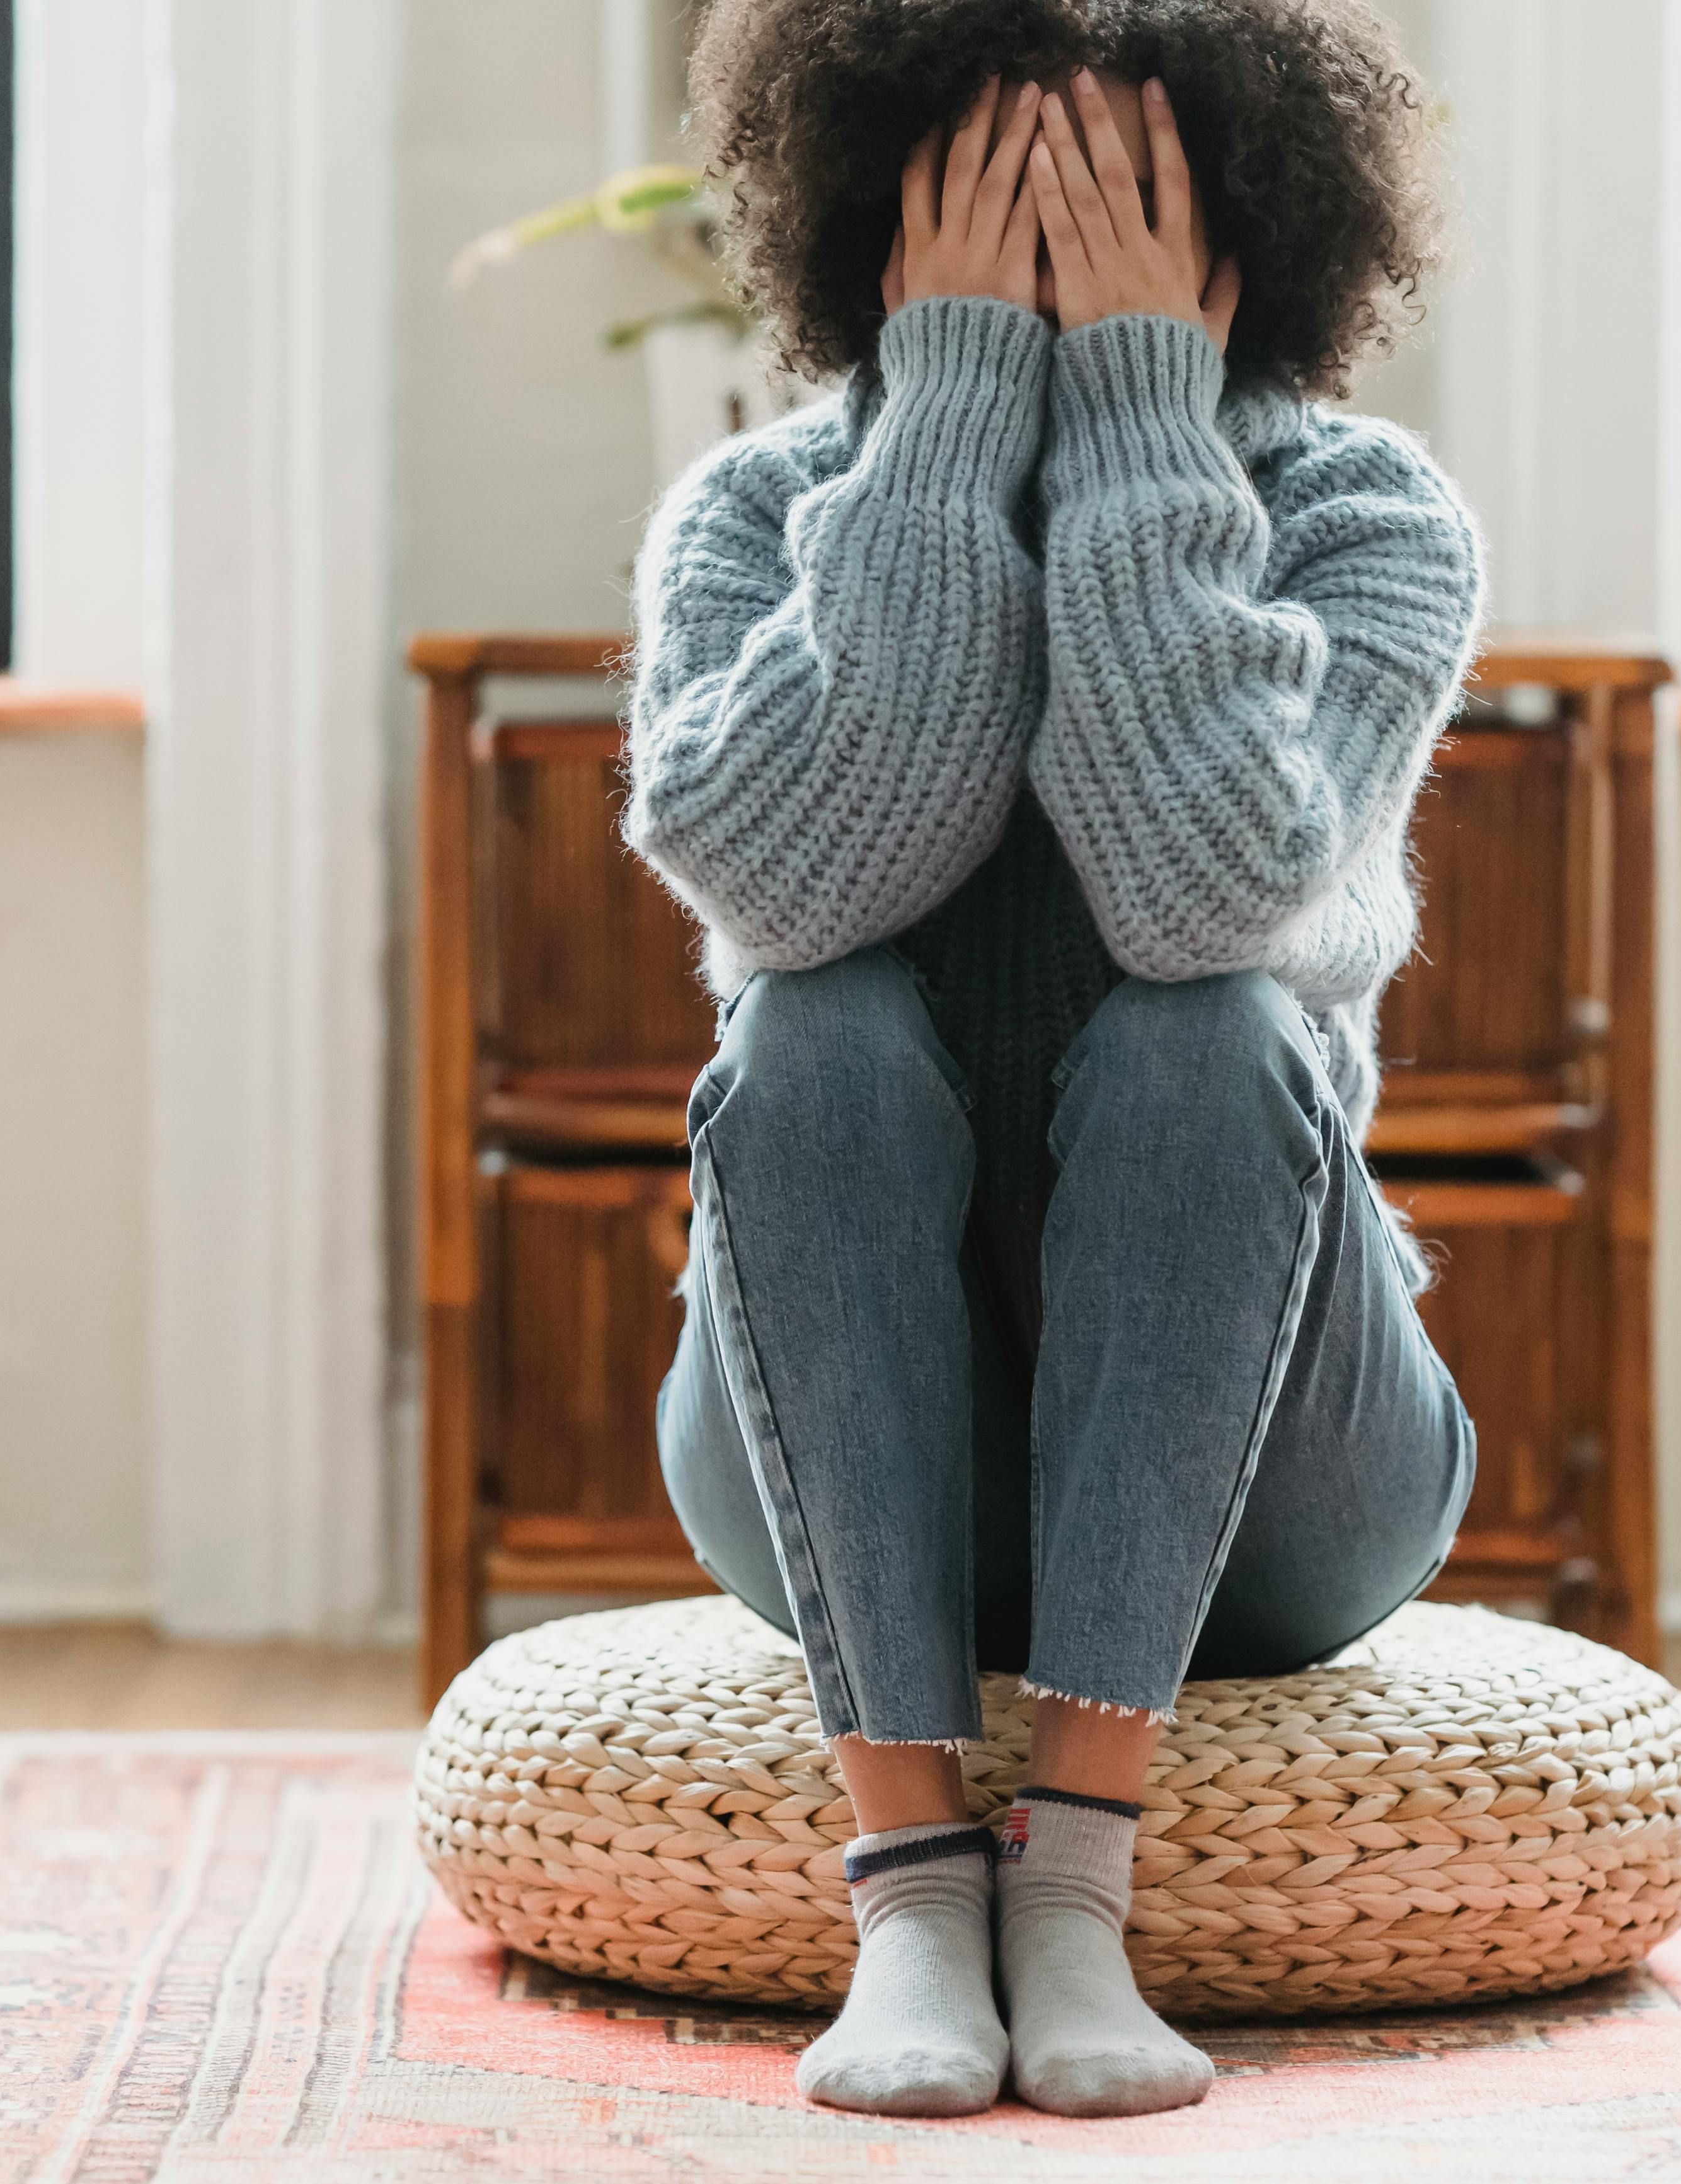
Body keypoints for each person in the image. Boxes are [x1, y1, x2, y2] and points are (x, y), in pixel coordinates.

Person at [625, 0, 1481, 2121]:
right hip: (829, 1459)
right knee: (810, 1025)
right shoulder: (754, 515)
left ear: (1242, 218)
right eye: (998, 182)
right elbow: (798, 884)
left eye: (1117, 192)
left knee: (1206, 1028)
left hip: (1281, 1478)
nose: (1055, 229)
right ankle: (915, 1878)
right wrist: (948, 425)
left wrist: (1139, 422)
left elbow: (1207, 897)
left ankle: (1077, 1876)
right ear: (880, 206)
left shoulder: (1365, 516)